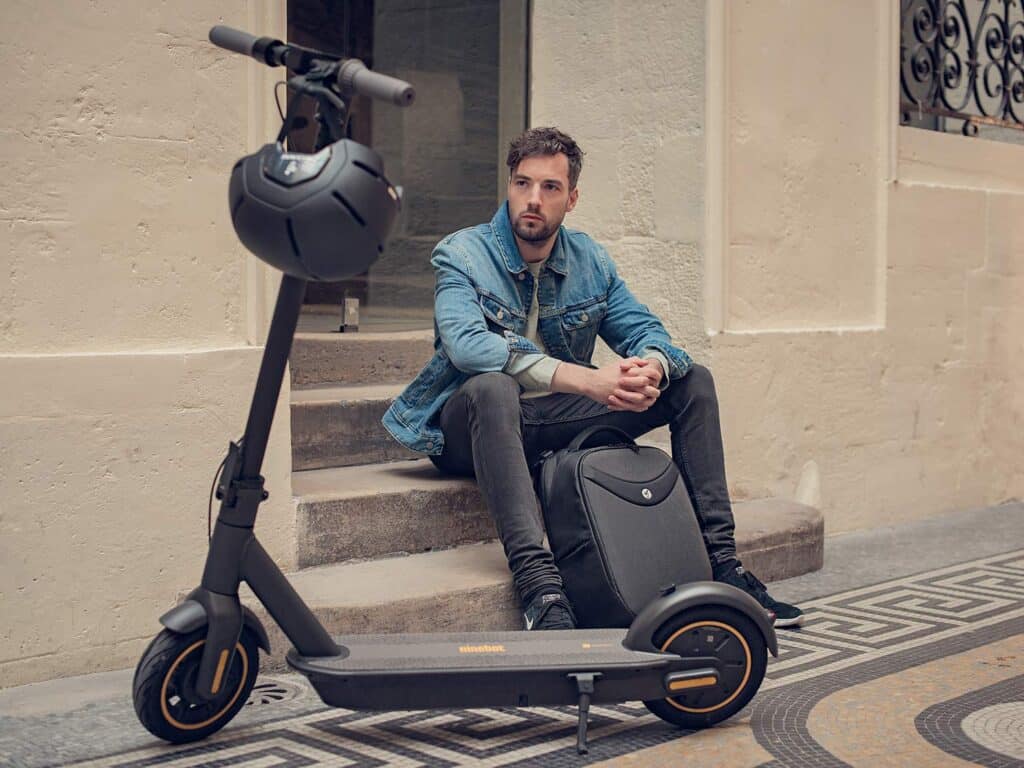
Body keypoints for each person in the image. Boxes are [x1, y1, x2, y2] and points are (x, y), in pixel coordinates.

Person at [383, 127, 803, 631]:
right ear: (509, 186)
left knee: (692, 383)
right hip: (467, 427)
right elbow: (469, 345)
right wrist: (586, 380)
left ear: (572, 197)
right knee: (495, 387)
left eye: (550, 187)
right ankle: (540, 587)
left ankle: (724, 566)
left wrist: (650, 366)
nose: (533, 199)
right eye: (522, 183)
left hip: (546, 422)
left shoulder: (590, 261)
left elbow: (649, 332)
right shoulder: (463, 253)